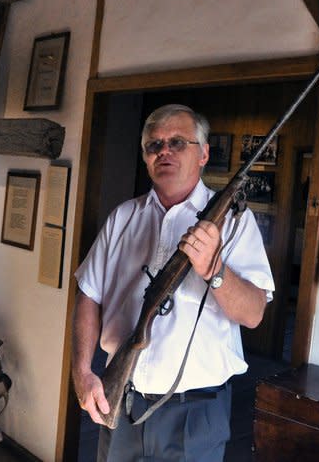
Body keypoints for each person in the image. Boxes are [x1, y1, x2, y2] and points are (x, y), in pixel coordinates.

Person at [72, 104, 274, 461]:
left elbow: (254, 313)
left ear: (204, 154)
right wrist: (83, 371)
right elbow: (89, 294)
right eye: (154, 145)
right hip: (124, 401)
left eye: (178, 142)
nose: (164, 151)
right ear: (146, 157)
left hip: (196, 413)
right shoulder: (123, 217)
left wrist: (214, 269)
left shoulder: (236, 224)